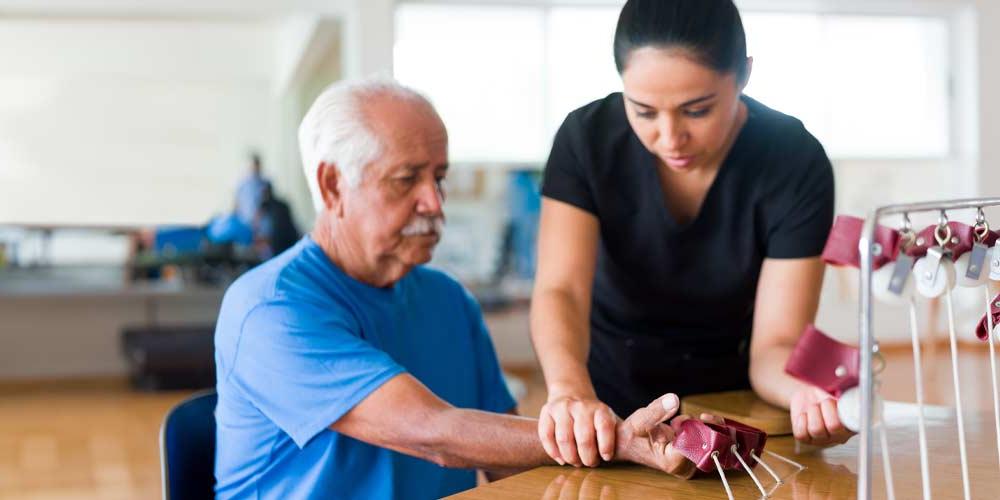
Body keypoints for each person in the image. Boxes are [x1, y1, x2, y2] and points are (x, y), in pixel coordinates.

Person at [213, 78, 710, 500]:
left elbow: (508, 465)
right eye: (406, 180)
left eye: (439, 177)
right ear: (332, 187)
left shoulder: (446, 299)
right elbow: (435, 434)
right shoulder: (270, 310)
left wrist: (611, 463)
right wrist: (613, 439)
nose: (434, 202)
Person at [530, 0, 845, 469]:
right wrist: (569, 392)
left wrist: (808, 392)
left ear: (744, 75)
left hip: (730, 405)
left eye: (696, 110)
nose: (670, 137)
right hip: (603, 401)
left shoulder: (794, 162)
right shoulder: (586, 140)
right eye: (643, 111)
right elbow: (561, 291)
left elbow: (775, 346)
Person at [254, 181, 301, 259]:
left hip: (278, 241)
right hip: (291, 237)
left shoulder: (265, 205)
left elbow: (257, 221)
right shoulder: (283, 204)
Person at [234, 153, 268, 227]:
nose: (254, 168)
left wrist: (258, 218)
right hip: (245, 221)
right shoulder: (242, 184)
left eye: (256, 165)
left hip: (261, 224)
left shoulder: (265, 184)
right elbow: (237, 204)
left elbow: (266, 204)